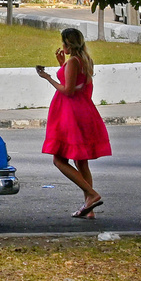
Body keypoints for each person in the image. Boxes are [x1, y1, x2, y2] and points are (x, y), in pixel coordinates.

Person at [36, 27, 111, 218]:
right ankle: (89, 208)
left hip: (70, 113)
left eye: (64, 43)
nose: (62, 47)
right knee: (81, 161)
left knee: (59, 159)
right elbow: (78, 83)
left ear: (68, 44)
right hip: (82, 111)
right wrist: (62, 64)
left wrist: (48, 78)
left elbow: (68, 90)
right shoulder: (83, 61)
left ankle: (92, 195)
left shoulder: (73, 63)